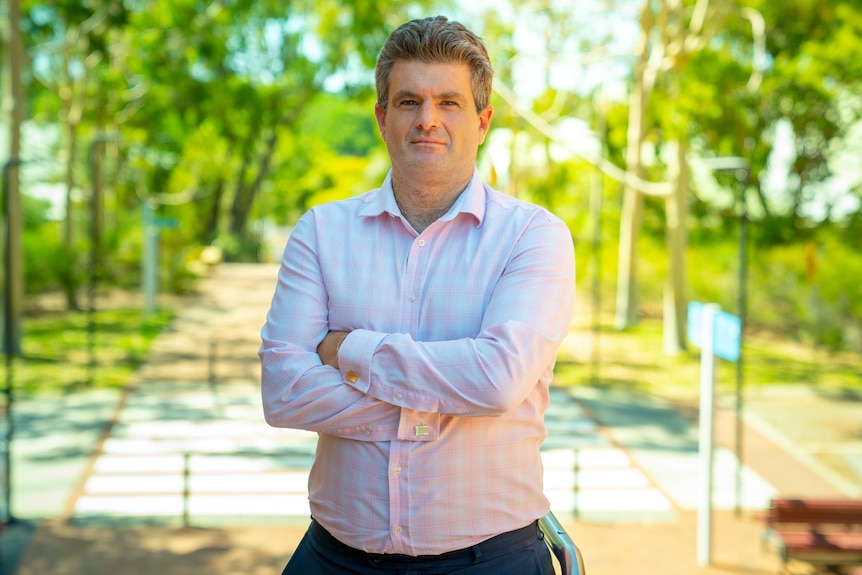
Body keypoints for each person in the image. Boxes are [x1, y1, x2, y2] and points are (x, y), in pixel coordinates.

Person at [260, 15, 575, 575]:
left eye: (448, 102)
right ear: (382, 118)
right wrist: (450, 407)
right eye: (409, 101)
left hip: (491, 561)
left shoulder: (533, 236)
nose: (427, 120)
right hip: (333, 560)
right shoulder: (321, 232)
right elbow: (284, 394)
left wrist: (350, 350)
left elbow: (497, 380)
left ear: (482, 122)